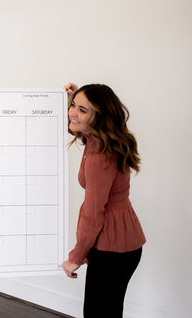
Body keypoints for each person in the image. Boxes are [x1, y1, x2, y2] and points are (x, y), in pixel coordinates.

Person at [61, 83, 146, 318]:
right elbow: (74, 127)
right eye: (73, 106)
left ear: (99, 117)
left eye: (83, 110)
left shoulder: (99, 156)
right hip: (123, 243)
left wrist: (75, 257)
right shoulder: (104, 140)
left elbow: (92, 213)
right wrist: (70, 102)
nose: (73, 113)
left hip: (111, 248)